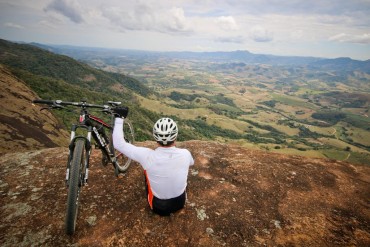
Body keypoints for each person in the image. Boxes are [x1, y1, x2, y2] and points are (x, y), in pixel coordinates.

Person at [112, 107, 194, 216]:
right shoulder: (185, 154)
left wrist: (119, 118)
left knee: (147, 170)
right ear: (175, 136)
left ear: (155, 137)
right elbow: (191, 163)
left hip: (158, 207)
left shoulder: (146, 156)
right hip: (180, 202)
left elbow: (119, 144)